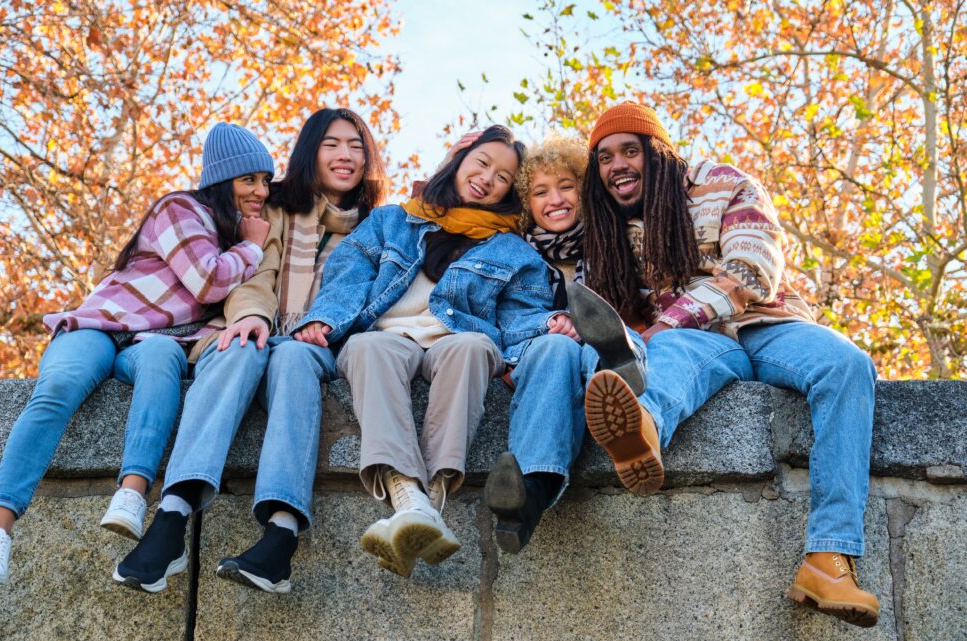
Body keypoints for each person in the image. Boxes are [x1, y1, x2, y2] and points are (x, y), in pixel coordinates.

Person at [574, 101, 879, 627]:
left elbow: (751, 267)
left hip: (763, 324)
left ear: (660, 153)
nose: (617, 165)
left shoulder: (722, 183)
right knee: (670, 355)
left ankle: (829, 559)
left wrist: (669, 319)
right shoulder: (604, 227)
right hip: (694, 345)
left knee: (847, 365)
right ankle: (640, 429)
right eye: (604, 158)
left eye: (630, 151)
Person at [0, 123, 274, 585]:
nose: (261, 191)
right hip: (102, 326)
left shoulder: (233, 240)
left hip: (150, 343)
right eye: (249, 180)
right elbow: (207, 279)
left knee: (163, 358)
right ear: (220, 181)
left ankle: (132, 493)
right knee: (59, 389)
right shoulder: (181, 208)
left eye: (266, 181)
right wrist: (252, 245)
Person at [113, 108, 387, 594]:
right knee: (236, 346)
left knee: (292, 357)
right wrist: (252, 317)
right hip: (263, 324)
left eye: (356, 145)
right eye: (331, 144)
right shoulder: (275, 207)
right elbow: (255, 272)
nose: (345, 155)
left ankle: (280, 535)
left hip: (323, 344)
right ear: (309, 152)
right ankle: (172, 518)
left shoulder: (379, 225)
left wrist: (323, 329)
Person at [296, 124, 561, 578]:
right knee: (368, 348)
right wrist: (326, 317)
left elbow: (521, 313)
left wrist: (546, 325)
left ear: (508, 193)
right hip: (388, 335)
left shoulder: (514, 250)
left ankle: (423, 500)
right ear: (459, 162)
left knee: (474, 347)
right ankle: (413, 501)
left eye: (502, 177)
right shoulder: (392, 220)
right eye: (481, 164)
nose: (487, 178)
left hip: (456, 340)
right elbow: (349, 270)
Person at [471, 134, 647, 553]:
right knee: (559, 348)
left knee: (604, 337)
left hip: (603, 346)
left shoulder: (616, 243)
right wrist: (544, 327)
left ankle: (621, 373)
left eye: (566, 186)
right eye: (540, 191)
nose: (556, 199)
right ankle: (527, 493)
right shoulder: (510, 254)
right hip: (535, 353)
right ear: (525, 203)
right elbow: (493, 316)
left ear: (584, 191)